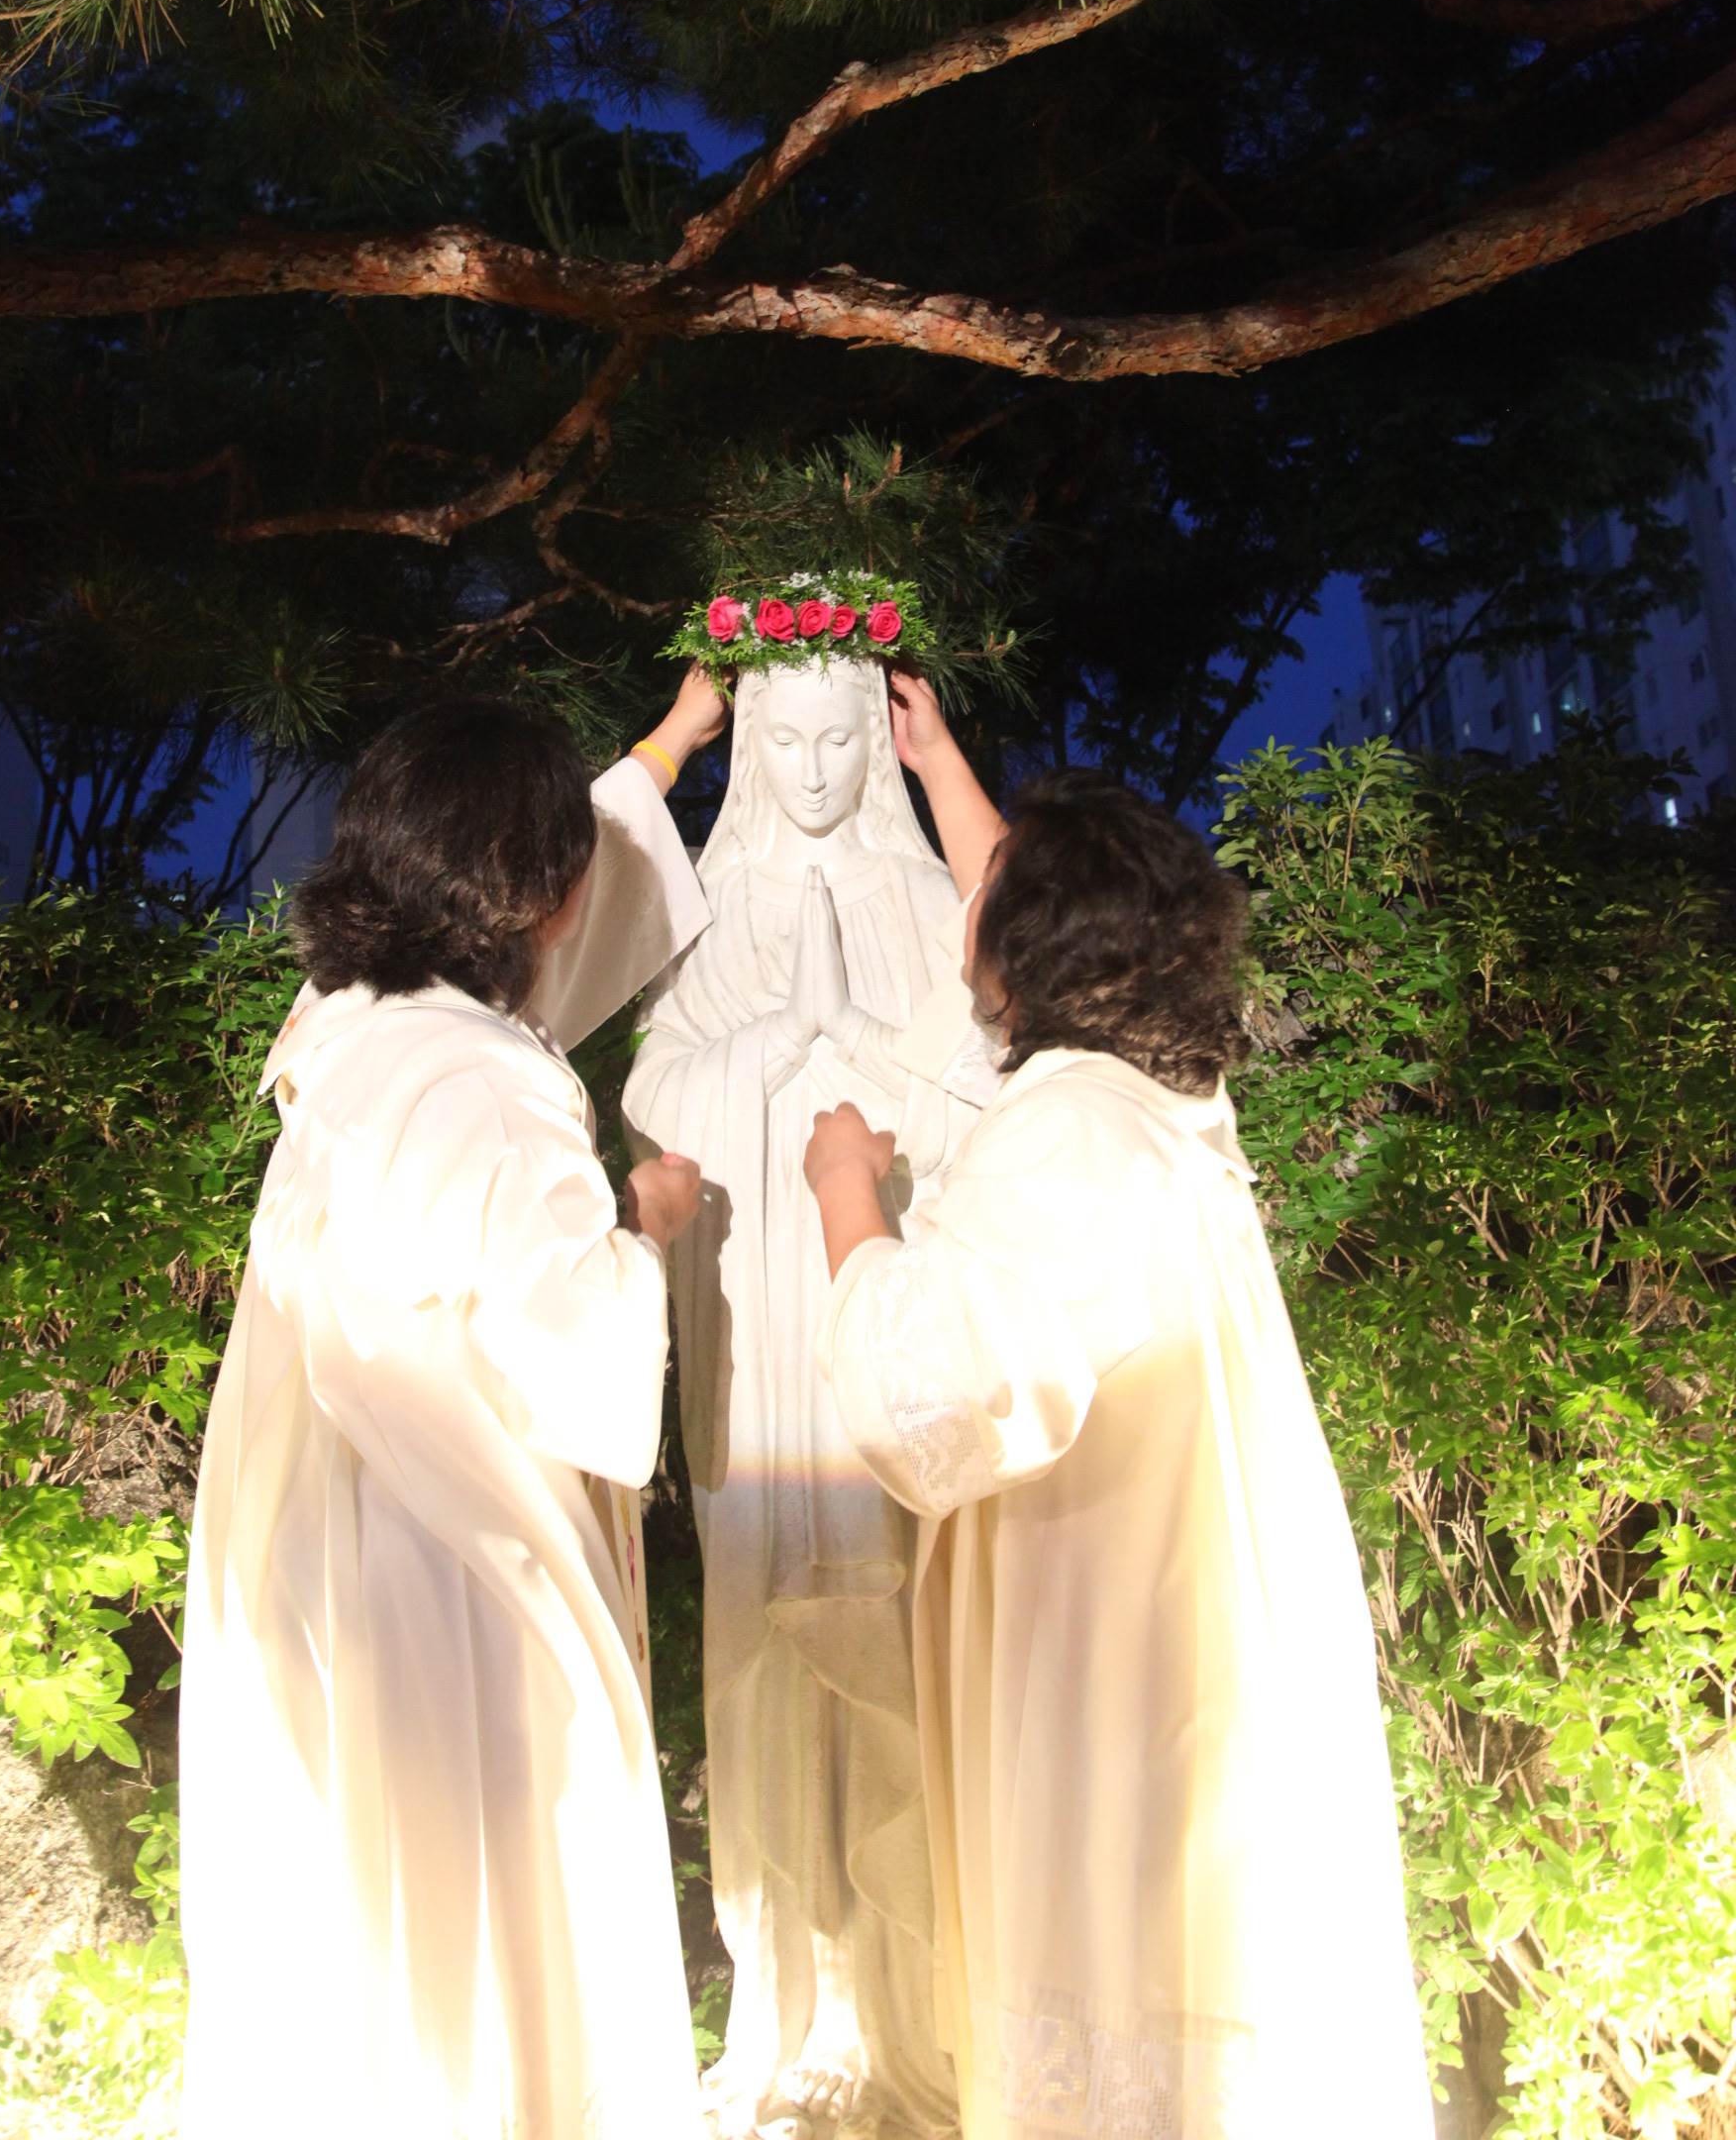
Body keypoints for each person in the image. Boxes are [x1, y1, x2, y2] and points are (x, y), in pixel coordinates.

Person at [806, 689, 1436, 2140]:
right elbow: (1018, 932)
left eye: (993, 893)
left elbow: (930, 1396)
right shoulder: (1158, 1100)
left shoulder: (1073, 1129)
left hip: (1106, 1637)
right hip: (1171, 1609)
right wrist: (940, 764)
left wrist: (846, 1197)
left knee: (1117, 1957)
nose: (966, 908)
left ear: (1030, 944)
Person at [179, 674, 726, 2140]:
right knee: (484, 1897)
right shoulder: (489, 1084)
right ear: (540, 887)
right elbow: (575, 1356)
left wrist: (668, 747)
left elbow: (550, 918)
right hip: (444, 1561)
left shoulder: (348, 1017)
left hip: (317, 1526)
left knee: (362, 1900)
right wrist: (649, 1228)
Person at [623, 651, 975, 2140]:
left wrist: (862, 1042)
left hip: (880, 1305)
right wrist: (781, 1036)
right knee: (768, 1628)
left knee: (907, 1617)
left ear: (876, 750)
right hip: (758, 1326)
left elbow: (980, 1088)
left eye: (845, 742)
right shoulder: (712, 906)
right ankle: (793, 2000)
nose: (820, 772)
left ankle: (917, 2006)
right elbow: (653, 1096)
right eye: (792, 745)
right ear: (753, 749)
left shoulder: (921, 898)